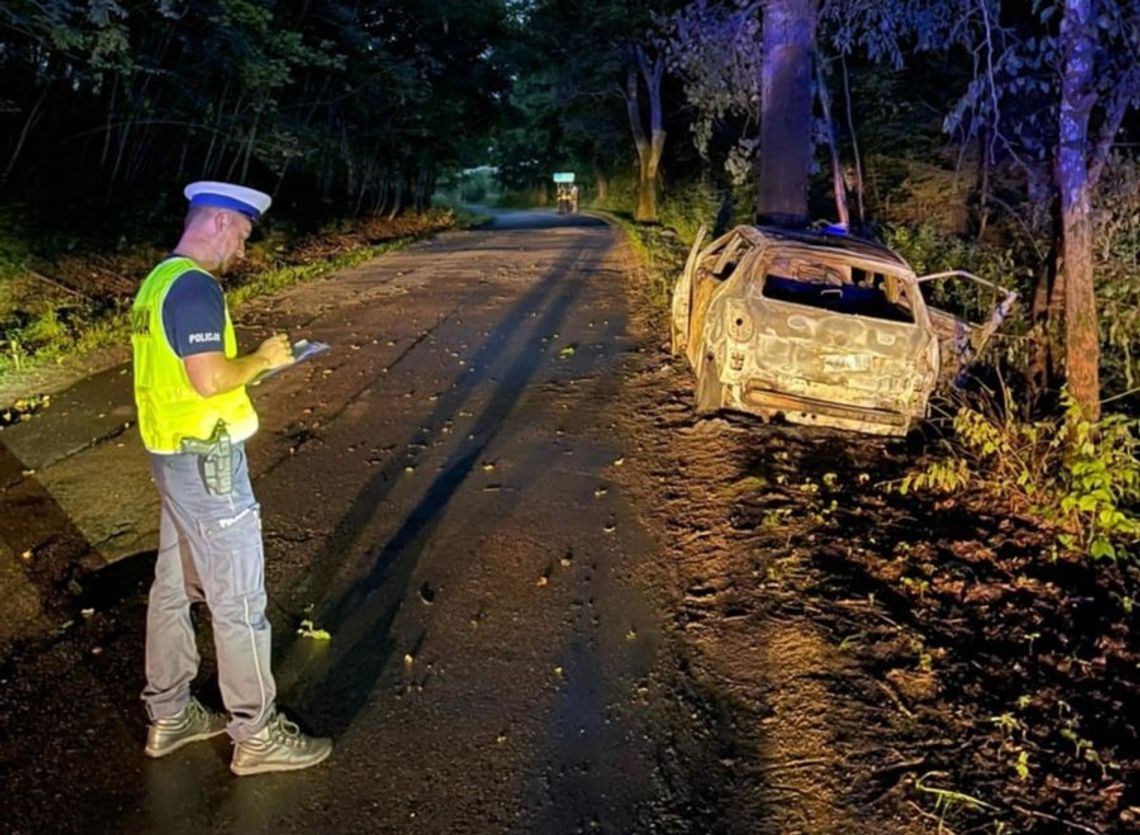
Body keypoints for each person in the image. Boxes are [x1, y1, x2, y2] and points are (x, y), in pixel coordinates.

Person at [131, 181, 332, 776]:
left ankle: (169, 714)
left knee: (173, 589)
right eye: (242, 235)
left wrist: (261, 369)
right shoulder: (194, 287)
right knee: (239, 602)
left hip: (172, 458)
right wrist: (263, 359)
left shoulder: (157, 282)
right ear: (219, 221)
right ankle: (257, 734)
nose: (242, 250)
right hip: (208, 468)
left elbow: (187, 377)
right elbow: (210, 380)